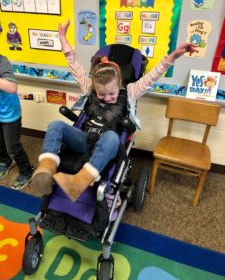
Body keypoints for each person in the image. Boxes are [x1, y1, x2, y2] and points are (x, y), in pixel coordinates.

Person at [32, 19, 194, 202]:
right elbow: (75, 66)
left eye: (111, 93)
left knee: (110, 137)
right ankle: (46, 168)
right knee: (56, 125)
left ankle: (80, 181)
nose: (107, 98)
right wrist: (63, 38)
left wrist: (173, 56)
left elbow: (153, 75)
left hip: (108, 146)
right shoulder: (90, 87)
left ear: (119, 84)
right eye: (102, 95)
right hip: (85, 139)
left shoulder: (131, 92)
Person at [0, 54, 33, 189]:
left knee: (13, 147)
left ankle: (27, 172)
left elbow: (12, 88)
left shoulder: (2, 61)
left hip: (9, 115)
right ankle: (4, 161)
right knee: (0, 142)